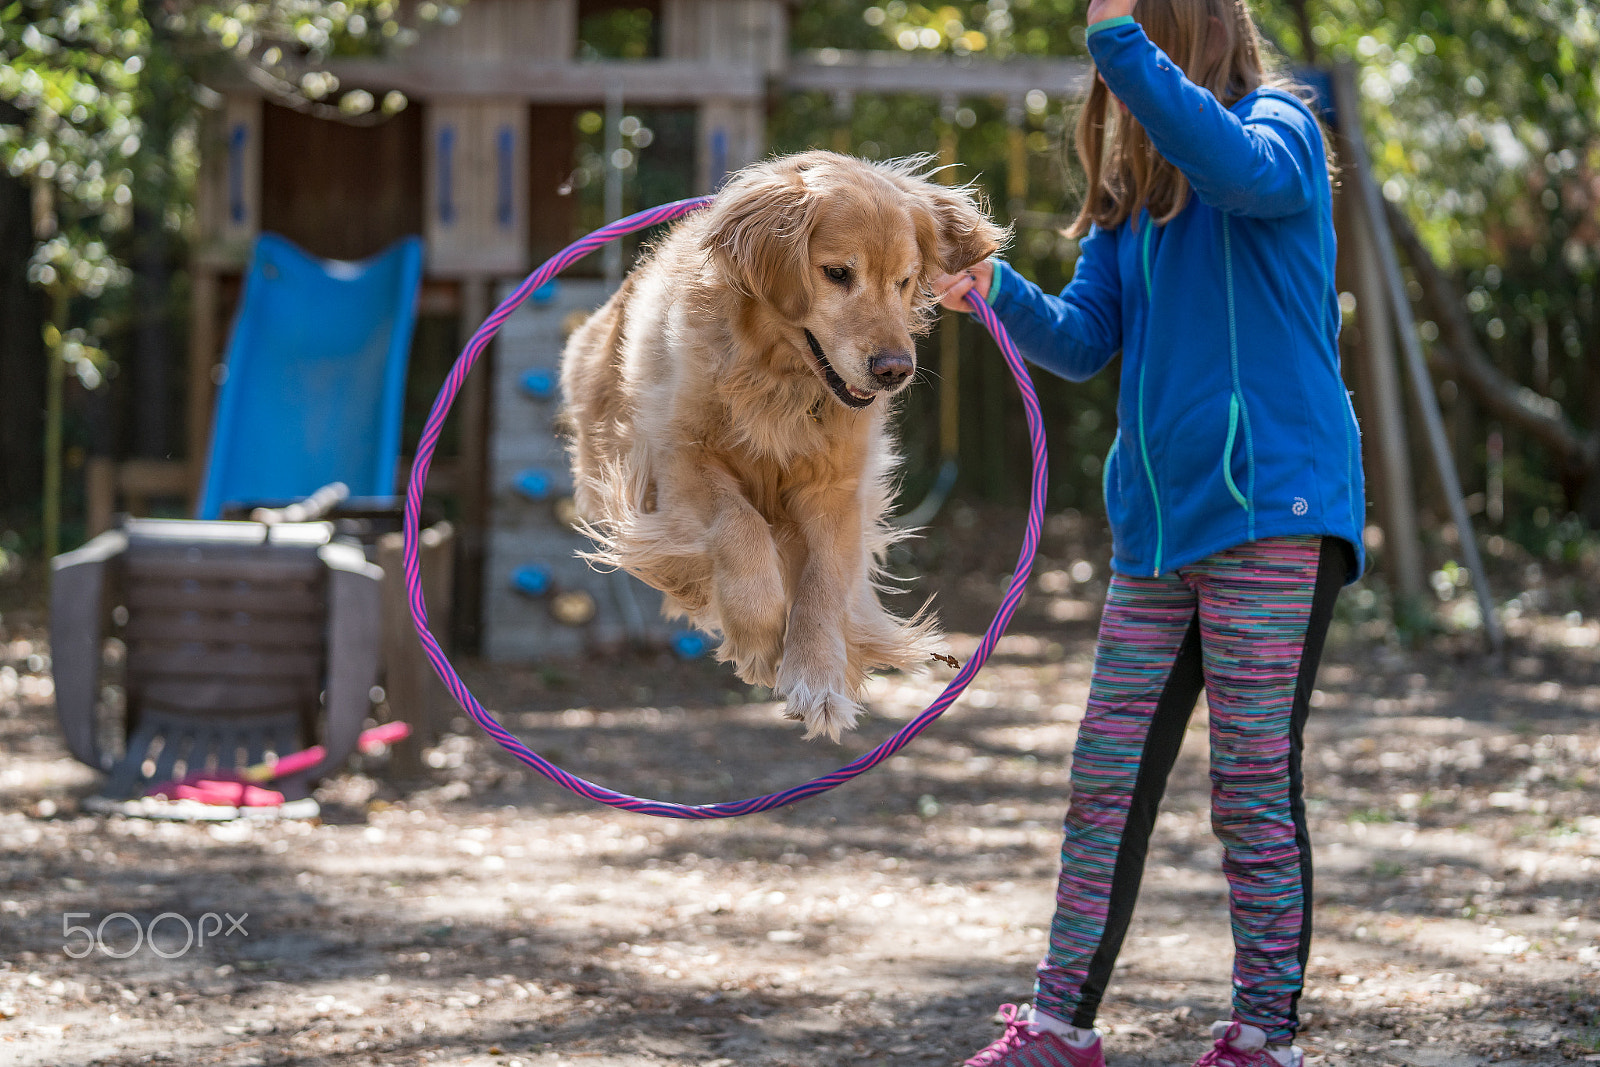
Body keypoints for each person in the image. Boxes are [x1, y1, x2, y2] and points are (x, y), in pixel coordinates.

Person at [933, 1, 1365, 1065]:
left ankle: (1263, 1035)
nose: (1117, 97)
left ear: (1173, 41)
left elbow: (1241, 173)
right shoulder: (1137, 205)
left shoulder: (1281, 129)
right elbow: (1083, 342)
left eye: (1134, 60)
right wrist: (993, 287)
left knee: (1250, 782)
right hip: (1159, 531)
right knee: (1106, 777)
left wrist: (1115, 38)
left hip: (1274, 510)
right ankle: (1056, 1025)